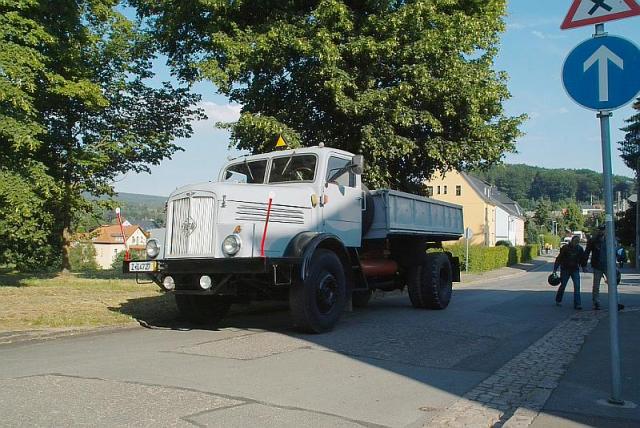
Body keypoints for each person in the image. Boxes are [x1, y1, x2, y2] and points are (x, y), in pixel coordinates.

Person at [553, 235, 586, 310]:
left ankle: (578, 304)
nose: (576, 243)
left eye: (578, 241)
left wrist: (584, 266)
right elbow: (559, 258)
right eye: (575, 241)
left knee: (577, 287)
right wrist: (555, 269)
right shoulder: (565, 248)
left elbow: (582, 259)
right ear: (572, 241)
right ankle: (558, 300)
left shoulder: (579, 249)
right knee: (563, 285)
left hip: (575, 269)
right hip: (565, 269)